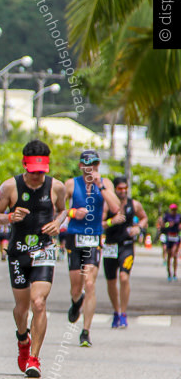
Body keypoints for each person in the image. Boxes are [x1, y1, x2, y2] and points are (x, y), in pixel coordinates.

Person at [0, 139, 68, 378]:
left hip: (44, 250)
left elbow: (63, 209)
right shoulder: (9, 188)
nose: (37, 177)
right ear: (25, 165)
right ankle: (22, 339)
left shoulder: (56, 187)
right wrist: (10, 217)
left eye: (41, 172)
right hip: (18, 252)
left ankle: (34, 358)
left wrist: (58, 222)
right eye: (33, 172)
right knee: (22, 308)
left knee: (39, 303)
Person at [63, 149, 120, 347]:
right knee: (76, 286)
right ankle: (75, 302)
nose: (91, 169)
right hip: (74, 237)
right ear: (81, 166)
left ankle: (85, 332)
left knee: (90, 283)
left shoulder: (105, 183)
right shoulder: (71, 184)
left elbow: (115, 208)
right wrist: (73, 212)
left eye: (95, 165)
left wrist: (101, 185)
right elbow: (58, 209)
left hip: (93, 237)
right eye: (87, 165)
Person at [103, 176, 148, 328]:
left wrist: (139, 228)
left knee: (123, 277)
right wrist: (111, 221)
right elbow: (99, 224)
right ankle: (116, 311)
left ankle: (123, 313)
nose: (123, 191)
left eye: (125, 188)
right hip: (110, 246)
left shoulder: (134, 204)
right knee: (111, 281)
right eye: (119, 188)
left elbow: (144, 218)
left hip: (126, 246)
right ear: (114, 189)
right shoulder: (107, 205)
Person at [161, 203, 181, 281]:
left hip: (176, 237)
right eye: (172, 210)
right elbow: (162, 225)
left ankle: (175, 273)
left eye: (175, 209)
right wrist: (167, 224)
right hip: (169, 237)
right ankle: (169, 273)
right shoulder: (167, 216)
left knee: (174, 254)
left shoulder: (179, 216)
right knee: (169, 255)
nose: (174, 211)